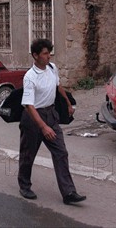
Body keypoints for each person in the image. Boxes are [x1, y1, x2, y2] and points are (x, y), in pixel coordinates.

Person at [18, 38, 86, 205]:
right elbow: (28, 105)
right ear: (35, 55)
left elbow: (58, 86)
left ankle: (69, 192)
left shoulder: (52, 68)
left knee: (61, 152)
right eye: (45, 53)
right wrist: (43, 127)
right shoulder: (30, 77)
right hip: (33, 119)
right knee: (28, 155)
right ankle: (24, 185)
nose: (49, 56)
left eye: (49, 52)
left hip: (51, 114)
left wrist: (68, 103)